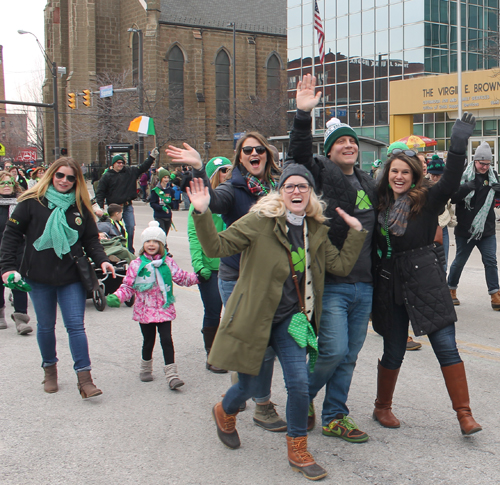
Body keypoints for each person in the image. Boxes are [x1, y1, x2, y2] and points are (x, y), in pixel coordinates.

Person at [188, 164, 367, 480]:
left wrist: (355, 233)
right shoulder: (260, 221)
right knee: (250, 385)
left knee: (298, 384)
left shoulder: (315, 230)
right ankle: (225, 410)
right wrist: (202, 213)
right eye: (290, 186)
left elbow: (338, 266)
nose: (296, 191)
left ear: (310, 193)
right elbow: (215, 247)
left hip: (292, 320)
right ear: (280, 192)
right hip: (255, 318)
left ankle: (298, 447)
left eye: (303, 186)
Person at [166, 134, 287, 432]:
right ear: (240, 156)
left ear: (267, 155)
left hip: (274, 276)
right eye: (248, 150)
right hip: (236, 276)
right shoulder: (232, 188)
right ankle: (249, 398)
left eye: (260, 149)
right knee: (248, 343)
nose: (254, 153)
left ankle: (254, 397)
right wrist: (197, 171)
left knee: (265, 344)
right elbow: (214, 202)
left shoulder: (280, 186)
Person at [371, 113, 482, 436]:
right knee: (392, 350)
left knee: (446, 347)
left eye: (406, 172)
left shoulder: (427, 199)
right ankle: (382, 407)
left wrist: (459, 142)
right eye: (395, 171)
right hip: (390, 285)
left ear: (415, 175)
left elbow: (449, 179)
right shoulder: (377, 205)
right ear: (387, 174)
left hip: (426, 280)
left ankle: (464, 415)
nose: (400, 177)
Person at [288, 74, 376, 442]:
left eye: (352, 142)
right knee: (332, 351)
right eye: (340, 142)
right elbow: (299, 157)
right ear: (329, 150)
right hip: (335, 282)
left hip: (366, 284)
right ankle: (302, 397)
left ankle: (335, 415)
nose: (348, 146)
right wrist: (303, 116)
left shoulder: (370, 181)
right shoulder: (321, 175)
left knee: (350, 355)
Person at [0, 157, 115, 398]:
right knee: (45, 326)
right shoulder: (32, 202)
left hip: (70, 276)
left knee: (75, 326)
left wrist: (103, 259)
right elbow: (11, 235)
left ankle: (85, 379)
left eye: (70, 177)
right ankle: (49, 370)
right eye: (60, 175)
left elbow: (91, 240)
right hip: (38, 276)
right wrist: (7, 267)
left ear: (77, 181)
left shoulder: (80, 206)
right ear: (52, 175)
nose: (64, 181)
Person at [106, 221, 199, 390]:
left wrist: (198, 277)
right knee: (148, 341)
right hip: (145, 310)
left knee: (166, 340)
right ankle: (145, 368)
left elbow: (181, 277)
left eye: (155, 241)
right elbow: (128, 286)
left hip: (164, 308)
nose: (151, 244)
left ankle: (172, 375)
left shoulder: (168, 263)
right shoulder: (136, 264)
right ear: (143, 244)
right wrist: (117, 297)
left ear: (161, 244)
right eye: (148, 241)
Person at [187, 156, 232, 373]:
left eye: (229, 170)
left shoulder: (232, 198)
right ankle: (212, 353)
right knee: (214, 309)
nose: (228, 174)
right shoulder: (201, 202)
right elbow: (194, 236)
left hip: (232, 264)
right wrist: (198, 264)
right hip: (210, 267)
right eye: (223, 171)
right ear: (214, 176)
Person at [448, 141, 500, 310]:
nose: (484, 167)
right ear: (475, 161)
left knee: (491, 261)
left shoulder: (494, 177)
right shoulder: (464, 177)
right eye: (481, 163)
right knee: (460, 261)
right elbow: (453, 198)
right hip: (466, 229)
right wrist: (465, 188)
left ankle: (495, 294)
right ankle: (451, 290)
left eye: (487, 164)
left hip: (487, 228)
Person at [95, 149, 159, 253]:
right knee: (114, 229)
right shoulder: (107, 176)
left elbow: (143, 167)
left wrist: (151, 157)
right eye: (118, 163)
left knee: (130, 227)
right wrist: (100, 207)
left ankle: (129, 249)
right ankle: (117, 248)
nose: (121, 165)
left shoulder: (129, 172)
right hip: (114, 206)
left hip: (127, 205)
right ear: (113, 164)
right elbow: (100, 192)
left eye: (122, 163)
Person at [0, 171, 32, 335]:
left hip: (18, 248)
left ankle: (21, 318)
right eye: (3, 183)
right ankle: (0, 313)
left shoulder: (22, 203)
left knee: (18, 282)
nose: (6, 186)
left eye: (9, 183)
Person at [427, 154, 457, 271]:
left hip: (442, 227)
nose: (435, 178)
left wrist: (451, 218)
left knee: (442, 262)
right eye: (433, 175)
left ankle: (442, 287)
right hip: (427, 227)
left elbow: (449, 206)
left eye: (438, 175)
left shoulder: (446, 187)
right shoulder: (423, 187)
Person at [150, 168, 174, 238]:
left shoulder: (170, 190)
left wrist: (170, 202)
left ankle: (163, 247)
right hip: (159, 216)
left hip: (168, 216)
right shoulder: (155, 190)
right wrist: (161, 208)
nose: (166, 179)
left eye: (168, 177)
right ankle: (164, 248)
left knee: (165, 235)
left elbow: (174, 204)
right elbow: (152, 203)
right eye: (164, 177)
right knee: (161, 235)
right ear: (161, 178)